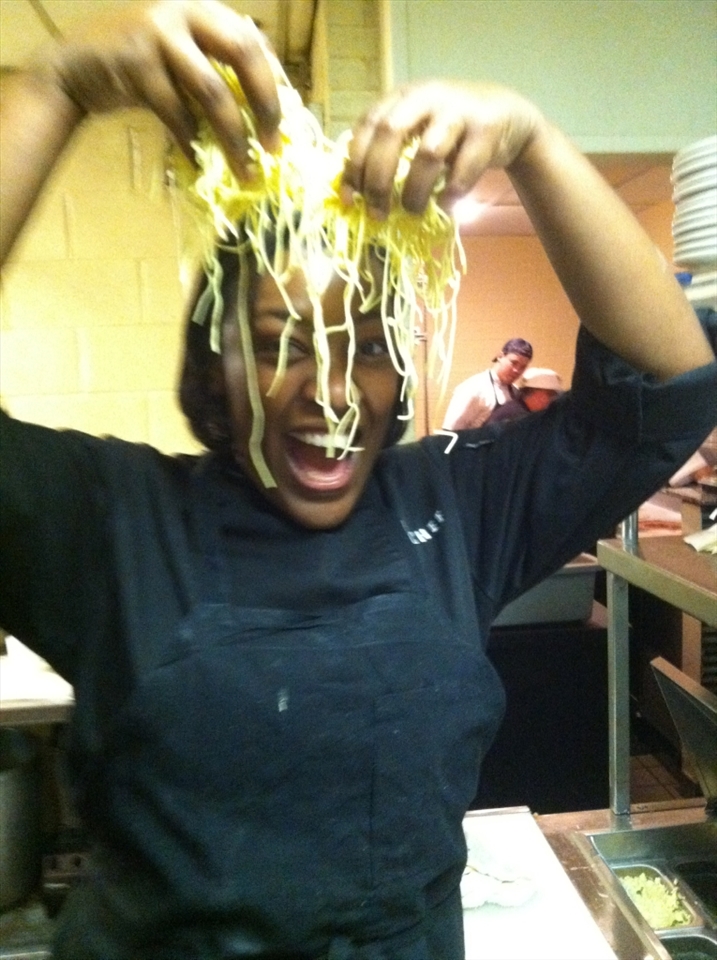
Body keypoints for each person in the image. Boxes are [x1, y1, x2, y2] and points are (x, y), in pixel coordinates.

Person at [1, 2, 716, 958]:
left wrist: (532, 142)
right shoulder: (110, 520)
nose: (333, 390)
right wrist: (55, 86)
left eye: (367, 346)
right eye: (279, 344)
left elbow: (666, 390)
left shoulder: (453, 506)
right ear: (215, 370)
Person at [441, 337, 533, 430]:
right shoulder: (473, 388)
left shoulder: (516, 392)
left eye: (522, 367)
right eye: (513, 363)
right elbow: (450, 432)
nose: (517, 370)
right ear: (500, 356)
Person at [485, 367, 563, 425]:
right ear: (536, 393)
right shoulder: (515, 416)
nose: (551, 400)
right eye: (550, 395)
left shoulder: (520, 410)